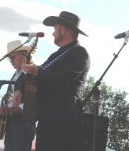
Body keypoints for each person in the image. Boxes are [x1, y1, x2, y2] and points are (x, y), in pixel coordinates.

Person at [22, 11, 90, 151]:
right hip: (46, 118)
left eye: (55, 29)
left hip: (63, 120)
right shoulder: (55, 55)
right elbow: (42, 76)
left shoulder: (79, 53)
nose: (52, 33)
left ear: (63, 30)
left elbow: (64, 79)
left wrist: (37, 71)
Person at [0, 40, 36, 151]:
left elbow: (30, 104)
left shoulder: (32, 74)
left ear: (24, 56)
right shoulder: (16, 75)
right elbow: (11, 100)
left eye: (12, 57)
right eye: (9, 58)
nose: (10, 61)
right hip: (12, 124)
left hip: (23, 124)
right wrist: (0, 111)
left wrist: (7, 110)